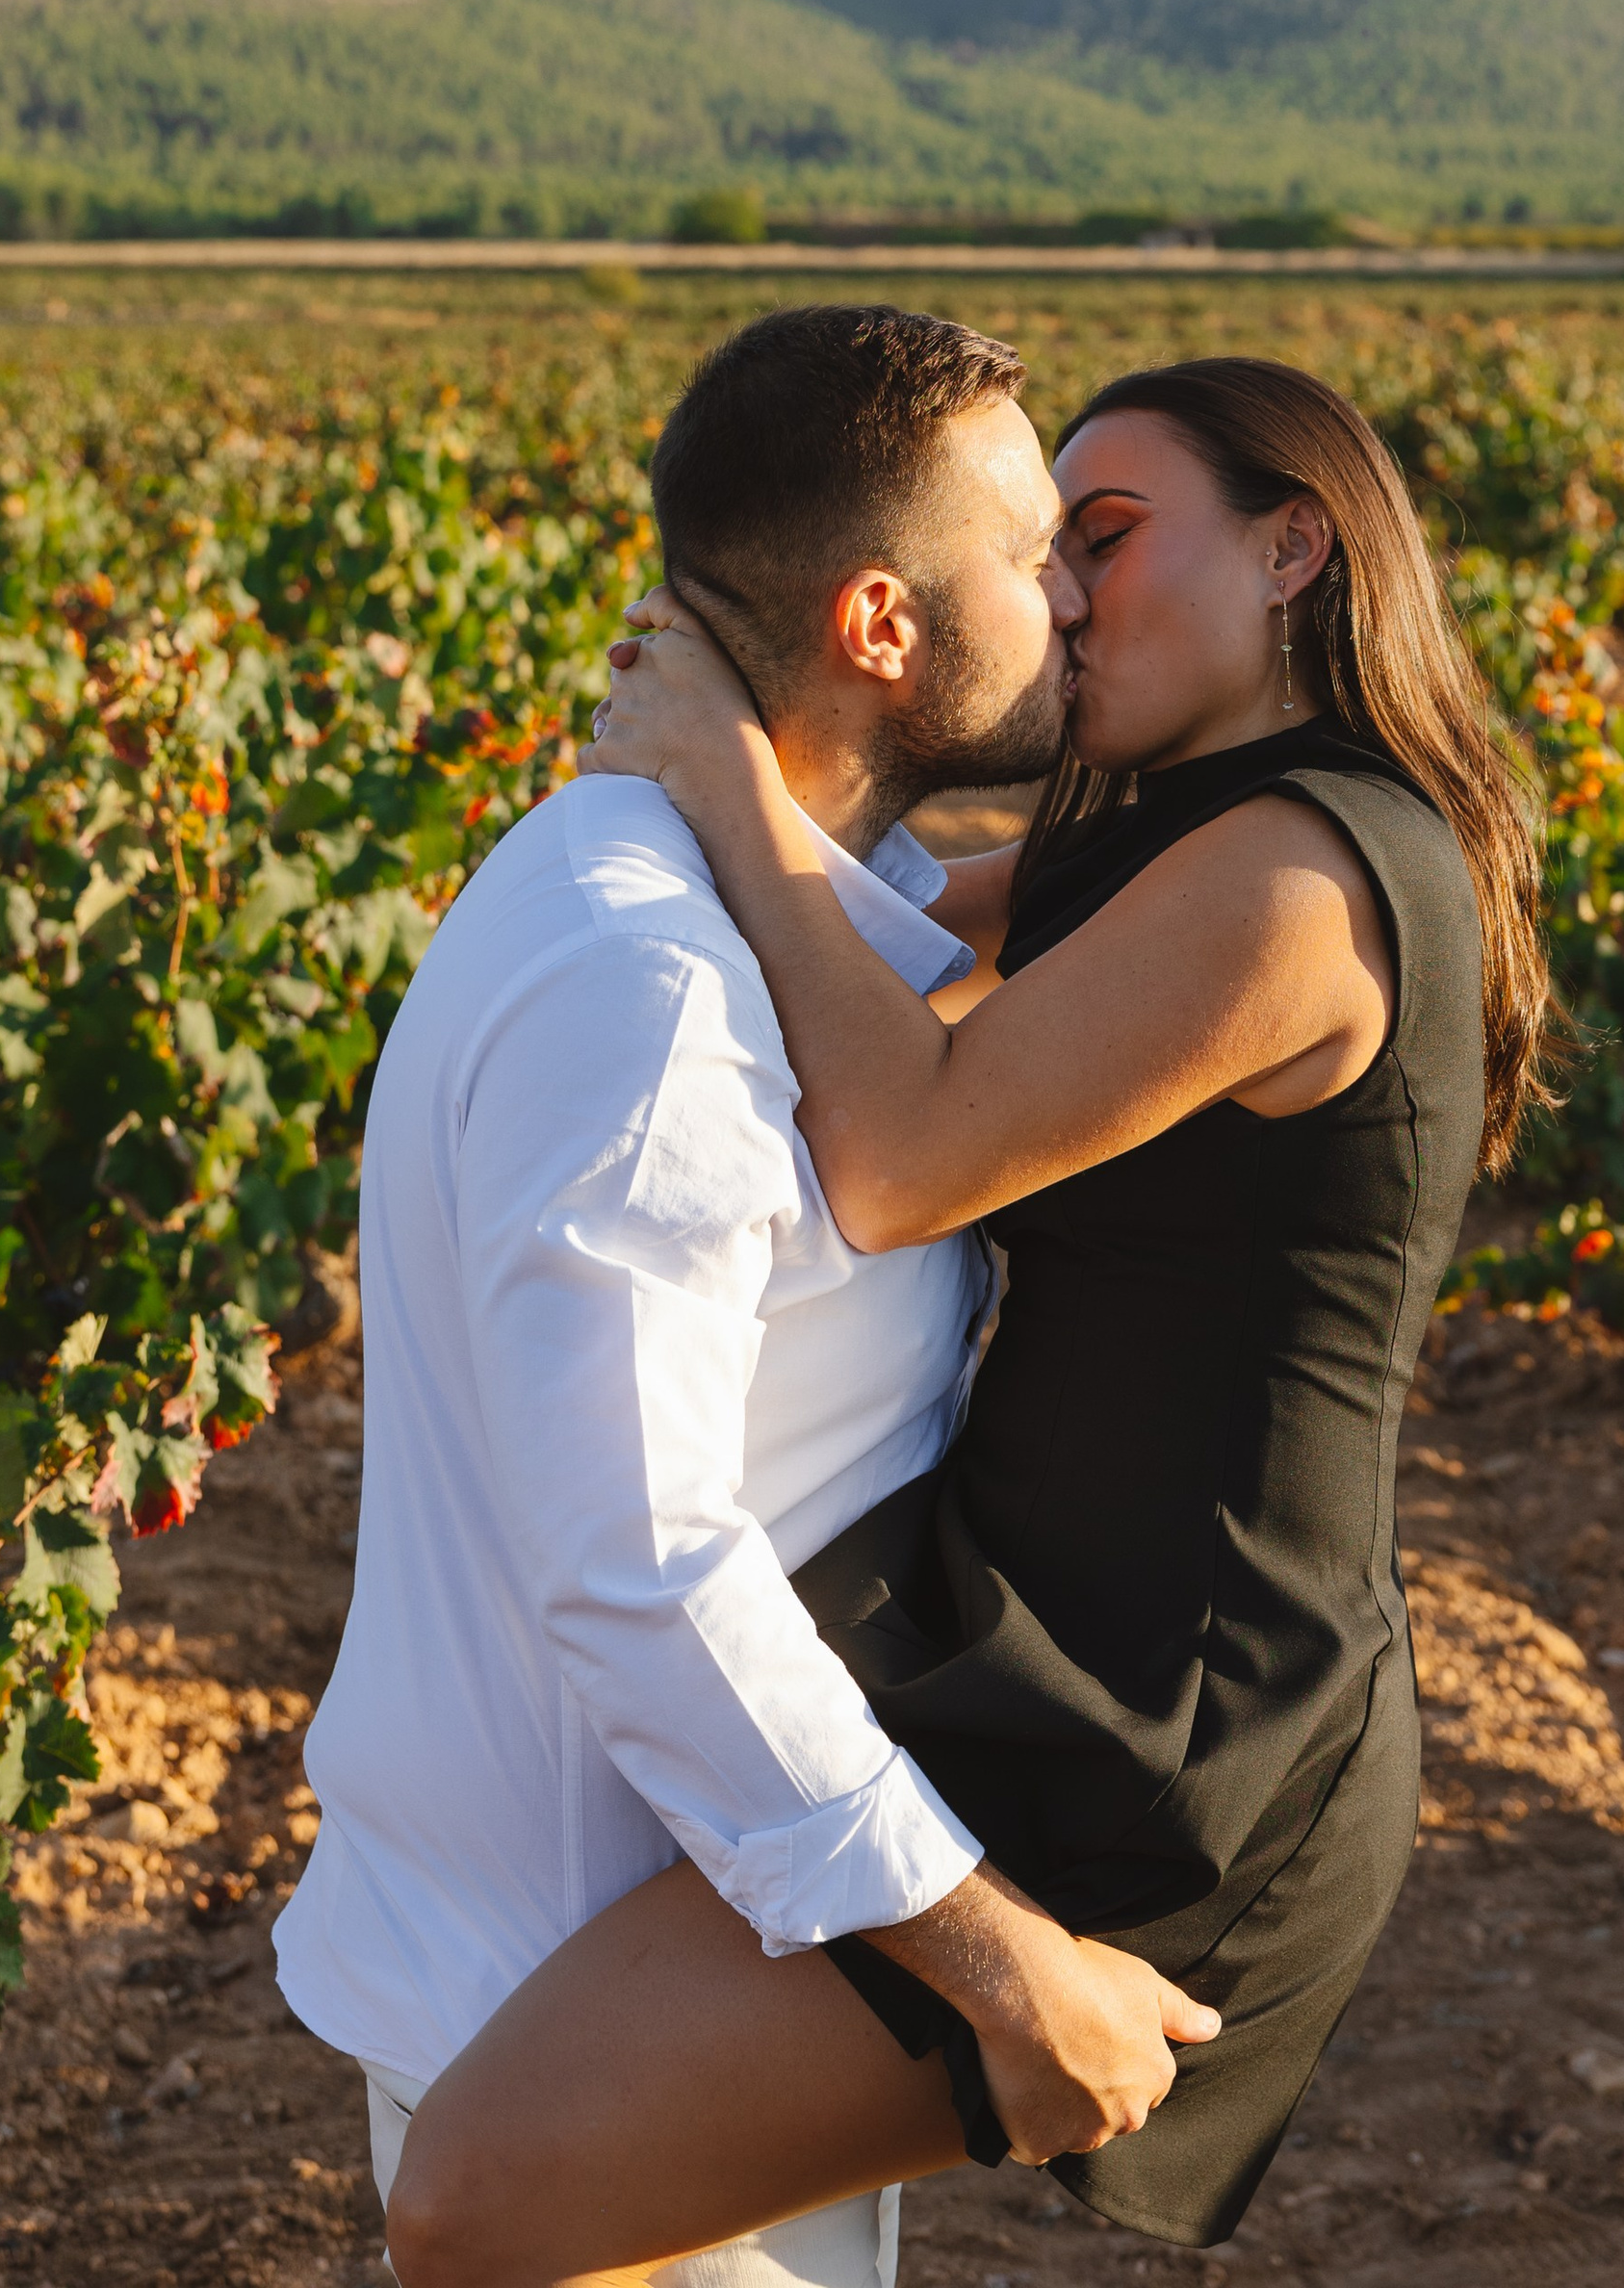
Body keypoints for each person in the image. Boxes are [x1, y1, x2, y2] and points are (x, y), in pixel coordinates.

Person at [386, 349, 1554, 2288]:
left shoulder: (1302, 873)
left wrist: (724, 778)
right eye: (1047, 548)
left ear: (1292, 550)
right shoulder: (1169, 832)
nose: (1069, 595)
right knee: (596, 2211)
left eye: (1109, 536)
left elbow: (903, 1149)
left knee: (487, 2193)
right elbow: (881, 954)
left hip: (1166, 1719)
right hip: (1028, 1632)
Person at [274, 307, 1216, 2288]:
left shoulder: (683, 910)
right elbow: (640, 1561)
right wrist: (997, 1954)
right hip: (585, 2035)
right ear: (880, 622)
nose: (1073, 595)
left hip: (707, 1954)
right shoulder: (653, 991)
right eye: (1032, 552)